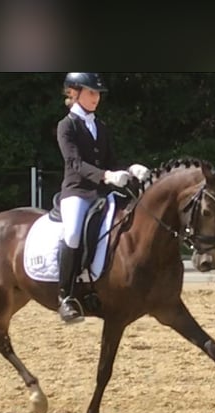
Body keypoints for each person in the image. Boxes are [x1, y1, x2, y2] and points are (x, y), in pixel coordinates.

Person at [55, 72, 149, 324]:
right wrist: (106, 176)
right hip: (77, 191)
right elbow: (74, 163)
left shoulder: (100, 126)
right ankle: (65, 297)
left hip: (101, 193)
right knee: (73, 233)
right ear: (74, 93)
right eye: (90, 93)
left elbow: (111, 161)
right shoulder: (67, 126)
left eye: (97, 93)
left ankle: (99, 285)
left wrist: (129, 170)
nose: (96, 98)